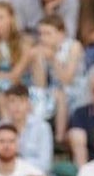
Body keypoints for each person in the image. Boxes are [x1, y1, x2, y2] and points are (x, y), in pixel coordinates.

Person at [27, 14, 85, 143]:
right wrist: (36, 58)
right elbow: (39, 85)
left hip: (75, 89)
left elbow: (68, 79)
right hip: (52, 89)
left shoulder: (74, 46)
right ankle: (36, 133)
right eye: (41, 34)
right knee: (36, 95)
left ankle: (59, 138)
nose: (43, 38)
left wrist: (53, 58)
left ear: (61, 33)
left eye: (48, 33)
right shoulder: (41, 49)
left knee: (59, 95)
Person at [2, 84, 53, 175]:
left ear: (28, 104)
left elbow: (45, 164)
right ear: (6, 105)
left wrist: (16, 164)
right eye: (12, 101)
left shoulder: (42, 127)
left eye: (21, 101)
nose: (17, 106)